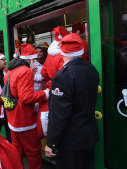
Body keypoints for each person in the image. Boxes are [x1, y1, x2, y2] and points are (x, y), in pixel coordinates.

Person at [45, 33, 99, 169]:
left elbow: (59, 115)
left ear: (62, 53)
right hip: (88, 135)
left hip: (70, 141)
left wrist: (51, 142)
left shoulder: (63, 76)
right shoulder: (91, 69)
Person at [6, 43, 49, 169]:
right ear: (30, 58)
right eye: (34, 59)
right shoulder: (25, 71)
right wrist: (45, 93)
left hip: (13, 118)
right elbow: (26, 98)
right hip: (25, 120)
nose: (34, 61)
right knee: (33, 151)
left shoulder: (10, 70)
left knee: (17, 150)